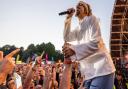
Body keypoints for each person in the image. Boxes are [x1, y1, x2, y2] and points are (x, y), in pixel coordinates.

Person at [62, 1, 116, 89]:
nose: (77, 6)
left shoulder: (92, 19)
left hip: (102, 69)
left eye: (80, 5)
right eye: (77, 5)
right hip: (89, 73)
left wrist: (74, 50)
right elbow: (67, 37)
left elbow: (96, 43)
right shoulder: (79, 28)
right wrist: (68, 18)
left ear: (86, 10)